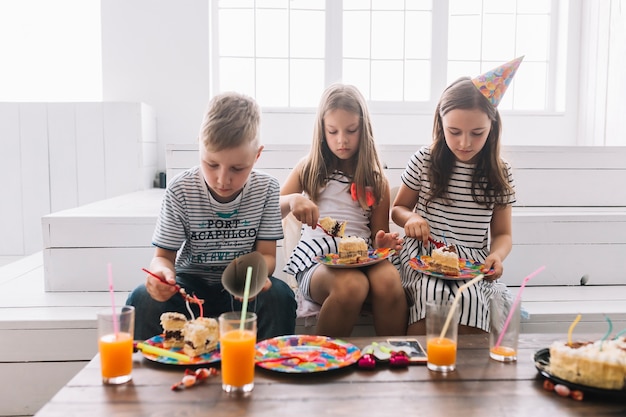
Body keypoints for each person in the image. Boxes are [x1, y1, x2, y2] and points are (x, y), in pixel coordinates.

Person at [127, 91, 296, 341]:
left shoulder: (267, 189)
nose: (222, 179)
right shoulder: (180, 189)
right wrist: (160, 275)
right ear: (199, 145)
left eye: (238, 168)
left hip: (243, 291)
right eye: (212, 164)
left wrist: (257, 277)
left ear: (257, 155)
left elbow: (267, 255)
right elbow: (162, 258)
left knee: (279, 296)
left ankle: (268, 369)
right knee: (141, 298)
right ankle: (152, 376)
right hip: (190, 288)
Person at [391, 57, 523, 335]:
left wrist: (497, 255)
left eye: (477, 133)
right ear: (440, 123)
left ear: (492, 127)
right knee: (432, 293)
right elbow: (398, 208)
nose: (465, 143)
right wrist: (411, 218)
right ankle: (420, 370)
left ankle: (466, 376)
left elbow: (503, 234)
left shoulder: (500, 173)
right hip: (424, 256)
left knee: (471, 299)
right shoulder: (425, 160)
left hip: (472, 262)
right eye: (454, 132)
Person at [280, 83, 408, 337]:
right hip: (317, 264)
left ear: (364, 129)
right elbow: (271, 207)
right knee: (352, 285)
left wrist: (383, 240)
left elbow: (377, 235)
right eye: (333, 131)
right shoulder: (308, 168)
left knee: (389, 281)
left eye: (351, 130)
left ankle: (394, 359)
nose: (342, 140)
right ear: (322, 131)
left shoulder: (375, 178)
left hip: (362, 257)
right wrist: (294, 199)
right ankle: (324, 362)